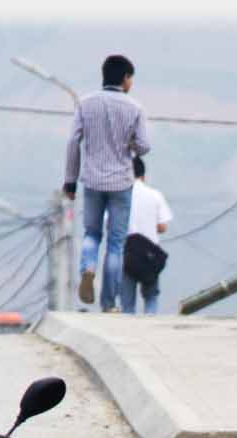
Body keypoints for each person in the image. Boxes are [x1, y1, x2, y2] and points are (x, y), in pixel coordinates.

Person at [62, 54, 150, 311]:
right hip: (121, 182)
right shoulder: (135, 108)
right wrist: (130, 144)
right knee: (116, 243)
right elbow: (144, 146)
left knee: (91, 234)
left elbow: (72, 142)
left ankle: (88, 267)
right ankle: (109, 303)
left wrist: (70, 180)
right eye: (131, 78)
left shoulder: (85, 104)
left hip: (92, 180)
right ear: (125, 78)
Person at [120, 155, 173, 315]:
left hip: (129, 252)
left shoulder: (121, 196)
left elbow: (110, 224)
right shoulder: (155, 195)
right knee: (151, 297)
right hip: (150, 254)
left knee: (127, 302)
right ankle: (150, 328)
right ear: (143, 175)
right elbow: (163, 227)